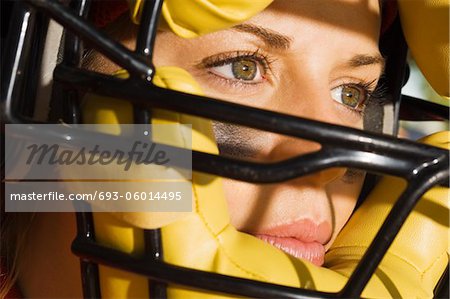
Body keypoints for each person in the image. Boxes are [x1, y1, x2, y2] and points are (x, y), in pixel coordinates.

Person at [1, 0, 448, 298]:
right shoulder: (28, 162)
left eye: (351, 94)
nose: (326, 162)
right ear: (44, 112)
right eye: (242, 66)